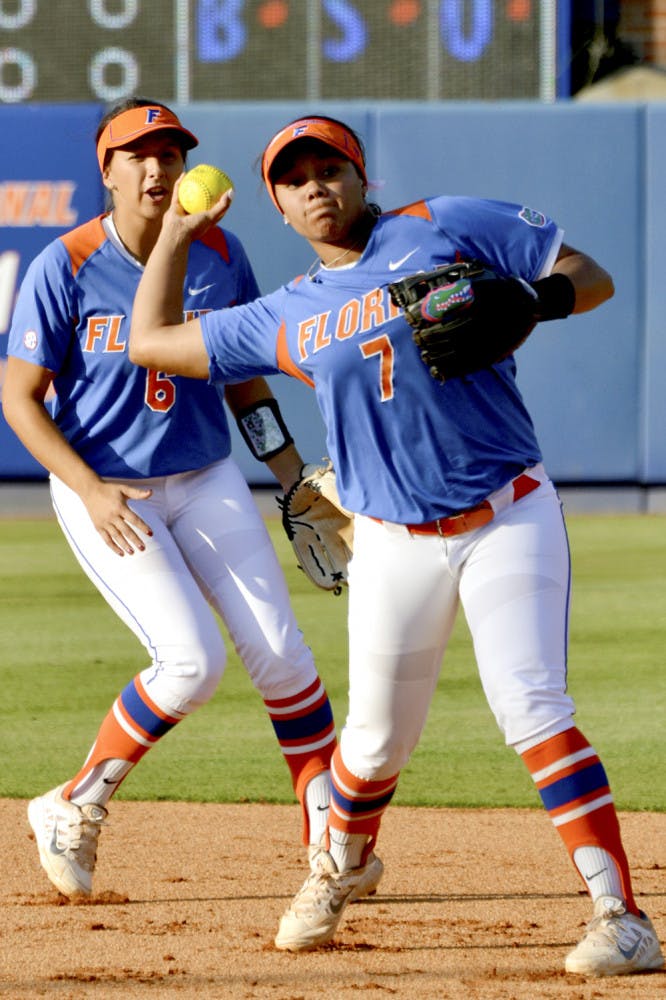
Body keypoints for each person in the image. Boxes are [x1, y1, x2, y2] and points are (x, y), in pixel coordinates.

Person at [127, 114, 664, 977]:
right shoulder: (283, 314)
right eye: (294, 178)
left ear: (359, 173)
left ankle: (622, 916)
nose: (315, 187)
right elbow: (152, 341)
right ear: (276, 201)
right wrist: (180, 235)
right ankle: (338, 868)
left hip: (508, 512)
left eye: (328, 168)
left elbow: (587, 272)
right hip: (392, 542)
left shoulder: (442, 224)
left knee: (532, 707)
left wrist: (539, 299)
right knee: (373, 745)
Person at [2, 100, 382, 905]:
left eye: (170, 153)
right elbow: (19, 398)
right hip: (108, 486)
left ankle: (329, 845)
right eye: (136, 154)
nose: (157, 168)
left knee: (283, 655)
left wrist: (288, 475)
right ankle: (72, 804)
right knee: (191, 664)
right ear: (105, 172)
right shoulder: (63, 266)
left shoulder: (218, 252)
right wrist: (87, 489)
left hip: (206, 475)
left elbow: (243, 377)